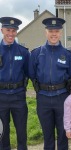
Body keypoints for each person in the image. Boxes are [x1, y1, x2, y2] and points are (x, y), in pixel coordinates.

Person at [29, 17, 71, 150]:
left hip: (62, 97)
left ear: (60, 32)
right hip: (43, 97)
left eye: (56, 31)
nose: (53, 34)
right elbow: (31, 73)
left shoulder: (68, 55)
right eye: (51, 30)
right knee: (47, 134)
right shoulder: (36, 53)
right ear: (46, 32)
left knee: (62, 134)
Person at [0, 17, 29, 150]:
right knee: (3, 131)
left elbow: (29, 72)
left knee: (21, 131)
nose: (10, 33)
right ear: (2, 30)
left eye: (13, 30)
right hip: (1, 97)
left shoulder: (23, 52)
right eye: (8, 30)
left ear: (16, 32)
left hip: (18, 96)